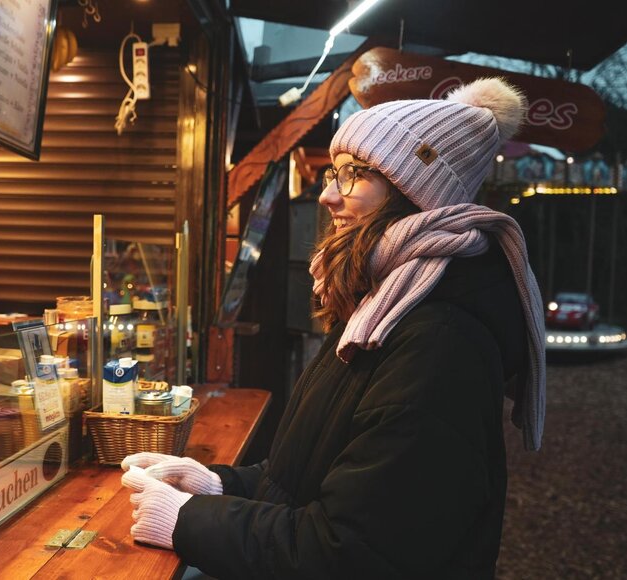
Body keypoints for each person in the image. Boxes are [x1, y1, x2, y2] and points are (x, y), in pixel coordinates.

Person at [120, 77, 546, 579]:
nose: (328, 196)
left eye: (354, 174)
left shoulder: (438, 342)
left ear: (414, 191)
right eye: (332, 173)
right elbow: (301, 480)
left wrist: (186, 520)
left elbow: (351, 550)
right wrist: (213, 484)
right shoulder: (378, 306)